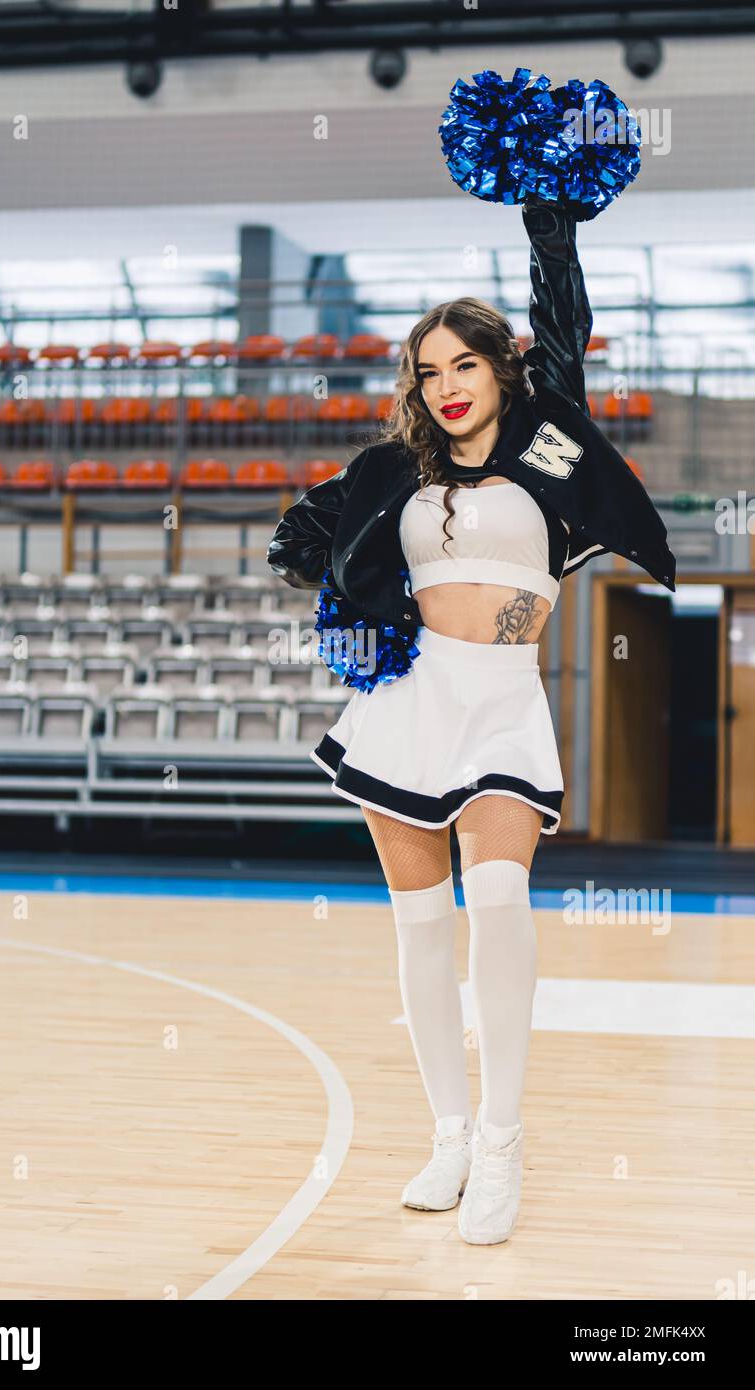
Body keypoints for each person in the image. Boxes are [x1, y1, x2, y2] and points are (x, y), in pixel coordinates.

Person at [266, 199, 676, 1245]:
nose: (443, 388)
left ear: (500, 370)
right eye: (426, 372)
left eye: (462, 366)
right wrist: (351, 606)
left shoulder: (548, 446)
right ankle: (446, 1131)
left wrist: (551, 232)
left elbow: (562, 327)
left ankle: (501, 1137)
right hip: (406, 700)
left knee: (496, 904)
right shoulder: (393, 470)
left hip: (500, 699)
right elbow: (304, 536)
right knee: (419, 928)